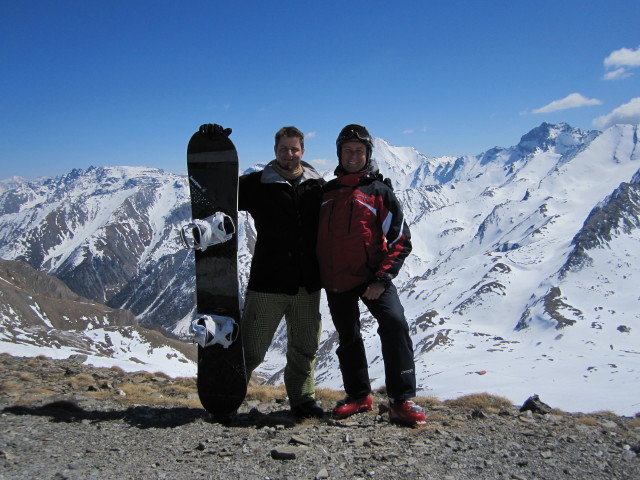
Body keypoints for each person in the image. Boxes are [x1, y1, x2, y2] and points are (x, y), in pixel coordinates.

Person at [316, 124, 426, 427]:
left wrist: (382, 278)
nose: (353, 156)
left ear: (368, 154)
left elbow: (400, 239)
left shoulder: (379, 193)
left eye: (359, 151)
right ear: (339, 153)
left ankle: (401, 400)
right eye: (348, 150)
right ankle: (358, 396)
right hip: (337, 279)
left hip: (372, 278)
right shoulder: (327, 193)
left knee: (394, 323)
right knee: (348, 338)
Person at [238, 126, 325, 419]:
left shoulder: (317, 185)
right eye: (284, 149)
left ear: (303, 150)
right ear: (275, 151)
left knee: (304, 347)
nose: (289, 154)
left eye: (294, 149)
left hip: (307, 283)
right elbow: (216, 193)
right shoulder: (255, 184)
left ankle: (303, 400)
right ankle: (228, 395)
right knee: (251, 347)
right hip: (267, 282)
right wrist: (213, 148)